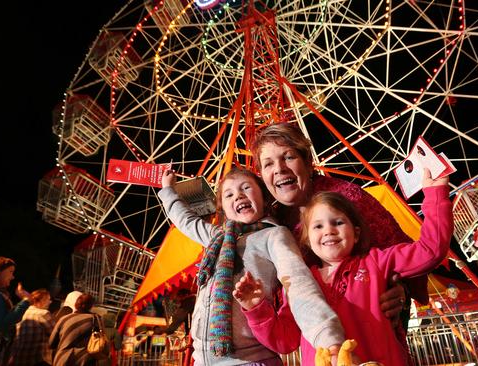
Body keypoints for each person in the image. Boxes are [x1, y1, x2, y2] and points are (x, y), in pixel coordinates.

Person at [234, 169, 452, 366]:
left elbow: (430, 250)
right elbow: (285, 340)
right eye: (318, 226)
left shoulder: (377, 262)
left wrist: (435, 194)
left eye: (338, 222)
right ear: (306, 239)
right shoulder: (299, 285)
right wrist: (256, 308)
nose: (329, 230)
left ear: (356, 233)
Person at [158, 166, 345, 365]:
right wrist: (168, 190)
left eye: (246, 188)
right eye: (229, 195)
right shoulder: (216, 238)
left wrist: (330, 342)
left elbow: (298, 283)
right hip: (203, 360)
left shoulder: (273, 235)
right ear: (224, 209)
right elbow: (185, 220)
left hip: (251, 359)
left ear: (264, 199)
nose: (238, 196)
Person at [250, 123, 425, 323]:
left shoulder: (349, 199)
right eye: (268, 164)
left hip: (369, 323)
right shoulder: (268, 224)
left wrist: (402, 291)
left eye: (288, 157)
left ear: (308, 162)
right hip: (315, 338)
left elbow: (405, 255)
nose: (279, 169)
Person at [49, 293, 103, 366]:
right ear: (91, 306)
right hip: (84, 360)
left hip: (62, 360)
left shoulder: (64, 319)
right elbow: (101, 341)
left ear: (76, 304)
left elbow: (51, 343)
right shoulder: (95, 319)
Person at [10, 289, 54, 365]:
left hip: (18, 358)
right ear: (42, 300)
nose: (50, 302)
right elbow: (54, 335)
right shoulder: (43, 313)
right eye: (49, 299)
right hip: (36, 360)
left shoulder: (23, 311)